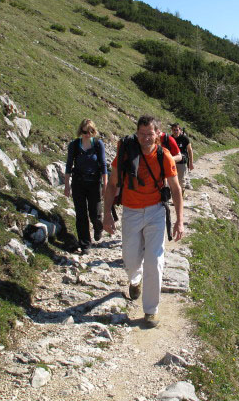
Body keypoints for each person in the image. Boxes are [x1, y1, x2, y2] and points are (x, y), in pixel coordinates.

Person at [103, 115, 184, 328]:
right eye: (142, 134)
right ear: (137, 134)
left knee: (154, 260)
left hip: (156, 211)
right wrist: (106, 214)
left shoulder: (164, 156)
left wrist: (180, 221)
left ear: (158, 135)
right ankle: (135, 279)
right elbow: (111, 185)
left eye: (150, 134)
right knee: (130, 258)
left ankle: (151, 310)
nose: (146, 138)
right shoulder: (126, 153)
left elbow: (176, 189)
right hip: (131, 211)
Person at [64, 119, 107, 252]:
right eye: (85, 131)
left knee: (95, 214)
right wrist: (67, 185)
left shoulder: (98, 144)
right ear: (80, 131)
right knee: (81, 214)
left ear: (94, 131)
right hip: (78, 183)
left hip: (94, 183)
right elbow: (69, 165)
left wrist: (105, 184)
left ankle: (98, 227)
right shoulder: (74, 145)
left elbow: (104, 165)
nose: (88, 134)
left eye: (91, 131)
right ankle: (85, 244)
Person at [170, 123, 193, 192]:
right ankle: (173, 197)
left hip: (182, 162)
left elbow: (190, 150)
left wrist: (191, 163)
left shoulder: (184, 138)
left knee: (181, 181)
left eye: (177, 130)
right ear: (172, 130)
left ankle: (181, 198)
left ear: (179, 130)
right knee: (172, 181)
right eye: (174, 130)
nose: (175, 131)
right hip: (172, 162)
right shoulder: (170, 139)